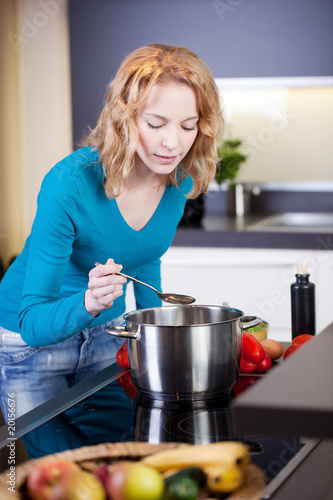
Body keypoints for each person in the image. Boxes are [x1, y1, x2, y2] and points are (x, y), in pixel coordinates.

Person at [0, 43, 224, 422]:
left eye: (188, 126)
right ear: (125, 117)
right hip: (26, 345)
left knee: (116, 457)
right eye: (155, 124)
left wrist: (160, 329)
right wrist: (88, 301)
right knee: (51, 470)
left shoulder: (180, 176)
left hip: (108, 334)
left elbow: (146, 253)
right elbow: (33, 323)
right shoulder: (68, 184)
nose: (173, 143)